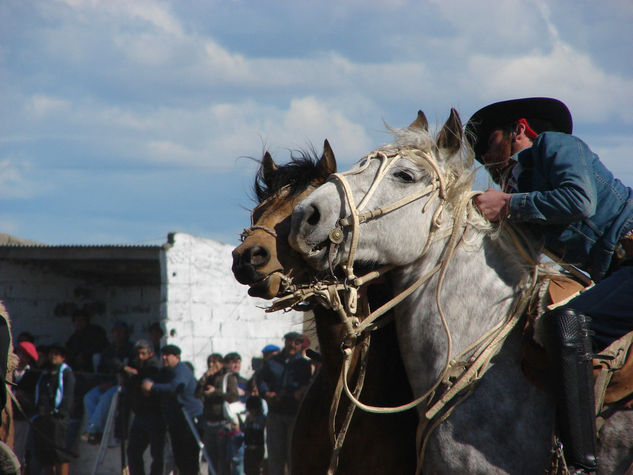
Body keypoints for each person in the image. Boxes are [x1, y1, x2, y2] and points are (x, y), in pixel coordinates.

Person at [466, 97, 633, 474]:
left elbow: (579, 200)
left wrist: (507, 203)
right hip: (618, 273)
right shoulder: (527, 188)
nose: (486, 162)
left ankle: (581, 465)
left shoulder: (554, 145)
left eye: (489, 145)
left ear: (519, 130)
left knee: (567, 323)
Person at [142, 345, 203, 475]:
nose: (164, 358)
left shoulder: (182, 371)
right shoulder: (165, 371)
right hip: (175, 421)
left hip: (189, 420)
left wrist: (152, 388)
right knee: (179, 458)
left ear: (176, 357)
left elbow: (175, 387)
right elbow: (152, 379)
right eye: (163, 355)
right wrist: (146, 383)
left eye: (167, 355)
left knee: (189, 459)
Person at [257, 332, 312, 475]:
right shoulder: (272, 362)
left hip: (294, 416)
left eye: (296, 342)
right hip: (275, 414)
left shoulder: (304, 365)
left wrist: (302, 390)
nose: (292, 345)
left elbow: (308, 384)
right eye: (289, 341)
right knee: (275, 456)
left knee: (293, 454)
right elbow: (261, 380)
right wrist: (266, 393)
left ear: (301, 345)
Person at [123, 340, 165, 475]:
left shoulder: (155, 367)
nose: (140, 357)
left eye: (143, 354)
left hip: (154, 415)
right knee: (133, 451)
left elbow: (147, 382)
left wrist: (136, 376)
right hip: (140, 414)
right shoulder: (137, 364)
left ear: (150, 354)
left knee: (157, 453)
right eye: (138, 354)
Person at [32, 345, 75, 475]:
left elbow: (68, 394)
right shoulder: (45, 373)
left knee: (59, 451)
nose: (53, 356)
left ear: (63, 357)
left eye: (57, 354)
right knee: (45, 453)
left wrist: (61, 412)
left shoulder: (66, 373)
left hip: (57, 418)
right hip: (42, 417)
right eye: (51, 353)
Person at [197, 353, 239, 475]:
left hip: (222, 423)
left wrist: (215, 392)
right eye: (209, 362)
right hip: (209, 423)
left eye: (214, 362)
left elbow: (233, 395)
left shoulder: (228, 377)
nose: (211, 365)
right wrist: (204, 378)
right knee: (210, 458)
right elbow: (197, 394)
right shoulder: (208, 378)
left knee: (223, 458)